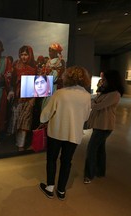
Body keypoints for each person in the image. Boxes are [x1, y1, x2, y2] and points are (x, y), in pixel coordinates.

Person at [39, 66, 91, 200]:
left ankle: (50, 187)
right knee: (66, 161)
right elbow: (85, 117)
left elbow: (45, 115)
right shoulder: (86, 96)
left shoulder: (60, 93)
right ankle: (61, 190)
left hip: (56, 132)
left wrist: (42, 119)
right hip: (74, 134)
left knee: (52, 159)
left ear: (67, 77)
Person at [84, 69, 124, 184]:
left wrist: (93, 103)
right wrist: (94, 102)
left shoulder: (115, 94)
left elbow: (97, 105)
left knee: (91, 149)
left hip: (105, 126)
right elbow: (95, 100)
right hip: (100, 124)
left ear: (110, 80)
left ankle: (89, 175)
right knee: (100, 149)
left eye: (104, 79)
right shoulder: (106, 91)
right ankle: (100, 171)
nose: (102, 81)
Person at [7, 45, 37, 151]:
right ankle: (17, 142)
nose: (23, 57)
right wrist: (11, 91)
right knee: (16, 121)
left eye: (26, 54)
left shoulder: (34, 68)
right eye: (22, 54)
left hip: (28, 99)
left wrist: (33, 100)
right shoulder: (16, 66)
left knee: (25, 122)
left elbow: (37, 85)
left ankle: (21, 145)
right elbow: (12, 82)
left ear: (30, 55)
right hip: (17, 98)